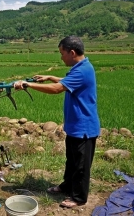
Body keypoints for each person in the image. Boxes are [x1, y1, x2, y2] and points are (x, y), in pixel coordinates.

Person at [14, 36, 100, 208]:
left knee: (81, 166)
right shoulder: (81, 67)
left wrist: (28, 85)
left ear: (72, 52)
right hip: (75, 126)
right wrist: (51, 76)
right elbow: (65, 82)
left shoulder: (82, 70)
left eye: (62, 53)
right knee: (72, 161)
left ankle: (79, 198)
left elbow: (57, 89)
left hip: (84, 128)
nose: (61, 57)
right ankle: (67, 186)